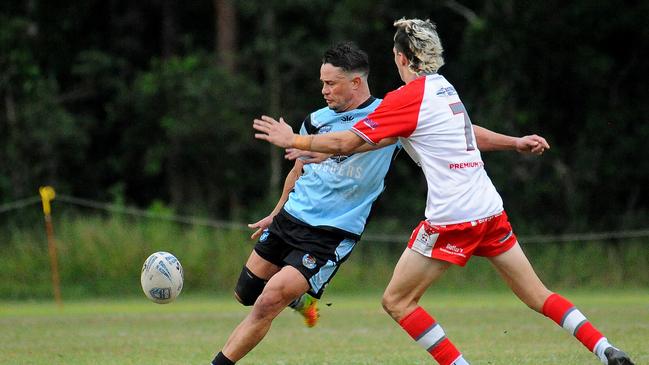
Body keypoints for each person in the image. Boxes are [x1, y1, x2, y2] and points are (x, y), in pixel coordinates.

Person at [252, 19, 634, 365]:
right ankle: (605, 349)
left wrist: (296, 139)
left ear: (401, 57)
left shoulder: (406, 98)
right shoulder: (443, 89)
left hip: (453, 218)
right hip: (489, 208)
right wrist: (515, 143)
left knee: (397, 301)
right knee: (538, 294)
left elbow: (347, 144)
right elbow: (461, 133)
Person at [211, 42, 548, 365]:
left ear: (355, 81)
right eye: (322, 83)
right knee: (246, 294)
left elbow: (460, 130)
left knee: (268, 302)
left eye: (331, 83)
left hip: (330, 234)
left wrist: (514, 142)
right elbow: (299, 170)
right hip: (291, 220)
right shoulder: (315, 120)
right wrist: (276, 212)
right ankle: (303, 299)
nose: (324, 90)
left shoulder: (390, 112)